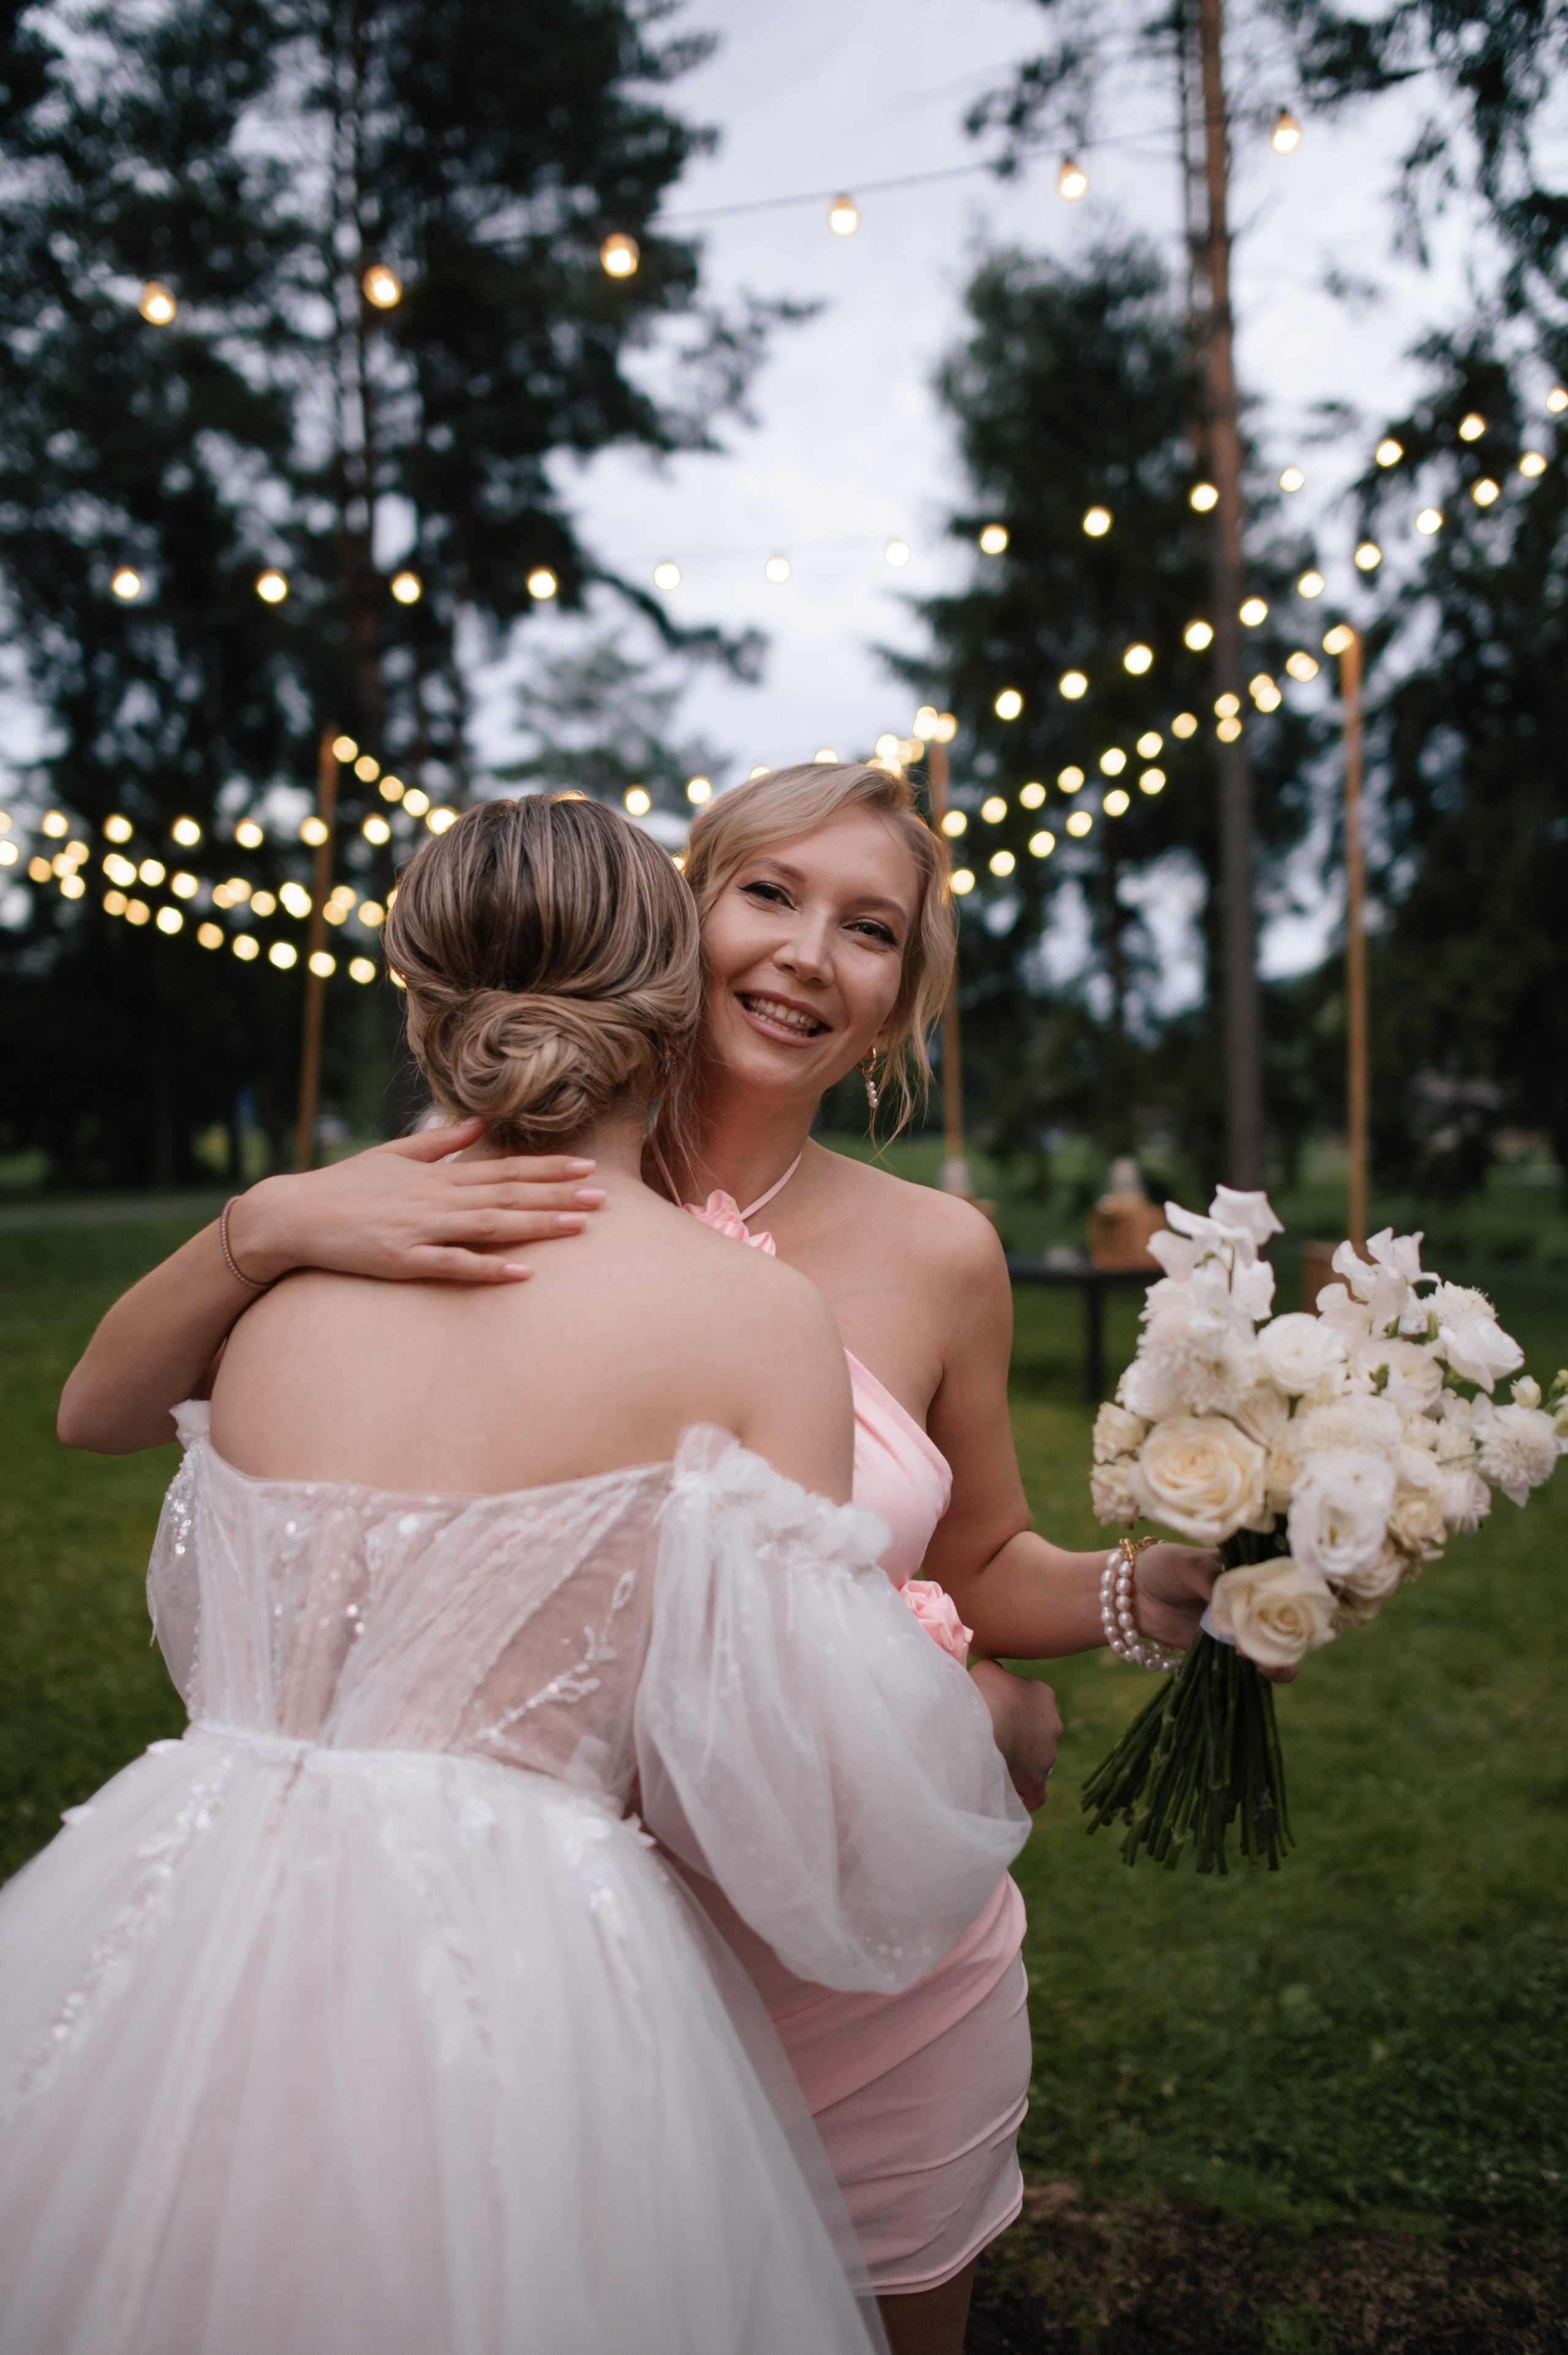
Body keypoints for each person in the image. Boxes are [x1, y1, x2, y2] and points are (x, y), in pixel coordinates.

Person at [60, 762, 1226, 2355]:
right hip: (562, 1950)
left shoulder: (937, 1255)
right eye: (772, 895)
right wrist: (987, 1727)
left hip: (869, 1973)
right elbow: (152, 1416)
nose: (814, 952)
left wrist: (1128, 1592)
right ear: (679, 927)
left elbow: (982, 1549)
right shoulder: (436, 1199)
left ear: (898, 1001)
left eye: (870, 928)